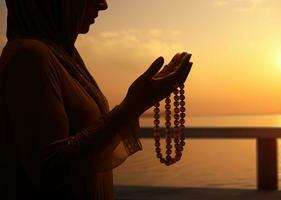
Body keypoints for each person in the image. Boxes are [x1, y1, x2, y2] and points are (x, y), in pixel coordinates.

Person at [0, 0, 193, 199]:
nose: (103, 5)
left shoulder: (64, 56)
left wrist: (141, 100)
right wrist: (133, 106)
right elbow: (49, 171)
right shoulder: (29, 57)